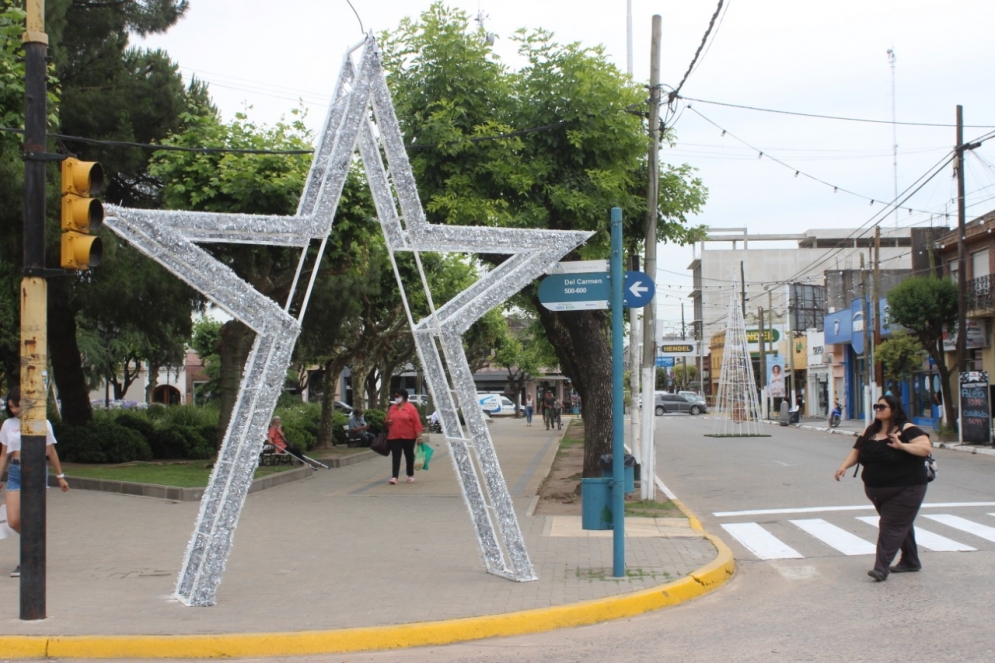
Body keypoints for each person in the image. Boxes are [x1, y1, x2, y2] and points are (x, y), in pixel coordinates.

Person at [834, 394, 932, 582]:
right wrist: (843, 467)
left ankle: (881, 568)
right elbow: (857, 451)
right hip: (878, 492)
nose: (878, 409)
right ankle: (911, 560)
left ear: (894, 409)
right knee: (901, 524)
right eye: (876, 406)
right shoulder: (870, 431)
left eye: (882, 406)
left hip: (907, 488)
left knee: (891, 526)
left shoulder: (907, 429)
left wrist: (902, 446)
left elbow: (925, 448)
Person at [0, 388, 70, 578]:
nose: (14, 410)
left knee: (31, 517)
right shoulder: (7, 424)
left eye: (17, 405)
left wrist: (60, 476)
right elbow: (3, 454)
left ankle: (27, 559)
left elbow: (51, 451)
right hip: (15, 471)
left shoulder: (41, 423)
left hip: (36, 471)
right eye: (11, 407)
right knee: (14, 520)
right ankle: (35, 544)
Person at [385, 388, 423, 484]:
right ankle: (394, 477)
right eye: (395, 396)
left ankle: (410, 474)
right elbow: (387, 420)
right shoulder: (392, 408)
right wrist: (387, 422)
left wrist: (419, 437)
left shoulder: (411, 408)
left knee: (409, 455)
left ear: (404, 397)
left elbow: (417, 423)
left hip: (409, 436)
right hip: (394, 436)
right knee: (396, 456)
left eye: (397, 396)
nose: (396, 398)